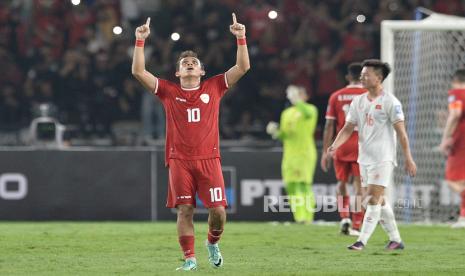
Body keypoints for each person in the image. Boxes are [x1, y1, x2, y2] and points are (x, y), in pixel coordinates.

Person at [131, 15, 250, 270]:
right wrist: (139, 41)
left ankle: (212, 242)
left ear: (201, 71)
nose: (189, 64)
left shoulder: (214, 87)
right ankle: (190, 259)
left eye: (194, 63)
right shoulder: (168, 92)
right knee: (185, 210)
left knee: (218, 212)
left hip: (209, 158)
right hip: (179, 160)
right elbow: (138, 71)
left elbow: (242, 68)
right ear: (177, 72)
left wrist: (241, 37)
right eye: (185, 63)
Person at [328, 59, 417, 251]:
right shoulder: (358, 101)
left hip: (383, 158)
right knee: (380, 200)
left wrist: (408, 158)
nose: (362, 77)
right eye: (361, 74)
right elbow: (348, 128)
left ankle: (361, 241)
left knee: (370, 199)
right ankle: (396, 239)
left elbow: (401, 133)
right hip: (364, 158)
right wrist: (334, 145)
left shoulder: (390, 102)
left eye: (366, 74)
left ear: (379, 78)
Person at [321, 63, 366, 235]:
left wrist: (326, 151)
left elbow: (329, 125)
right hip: (361, 146)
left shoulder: (336, 96)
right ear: (362, 77)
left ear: (348, 77)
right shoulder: (368, 95)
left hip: (341, 145)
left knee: (341, 183)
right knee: (358, 186)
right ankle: (356, 225)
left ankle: (344, 216)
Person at [266, 85, 318, 224]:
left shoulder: (310, 109)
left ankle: (306, 217)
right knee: (291, 185)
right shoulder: (286, 113)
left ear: (306, 97)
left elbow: (306, 112)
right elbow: (284, 135)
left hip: (304, 153)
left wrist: (297, 100)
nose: (297, 97)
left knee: (303, 185)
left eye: (300, 94)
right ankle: (298, 217)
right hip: (289, 155)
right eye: (295, 94)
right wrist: (275, 132)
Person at [439, 69, 465, 228]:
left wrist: (445, 138)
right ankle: (463, 217)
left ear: (455, 80)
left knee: (451, 180)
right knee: (462, 180)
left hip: (461, 140)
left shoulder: (456, 93)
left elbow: (455, 114)